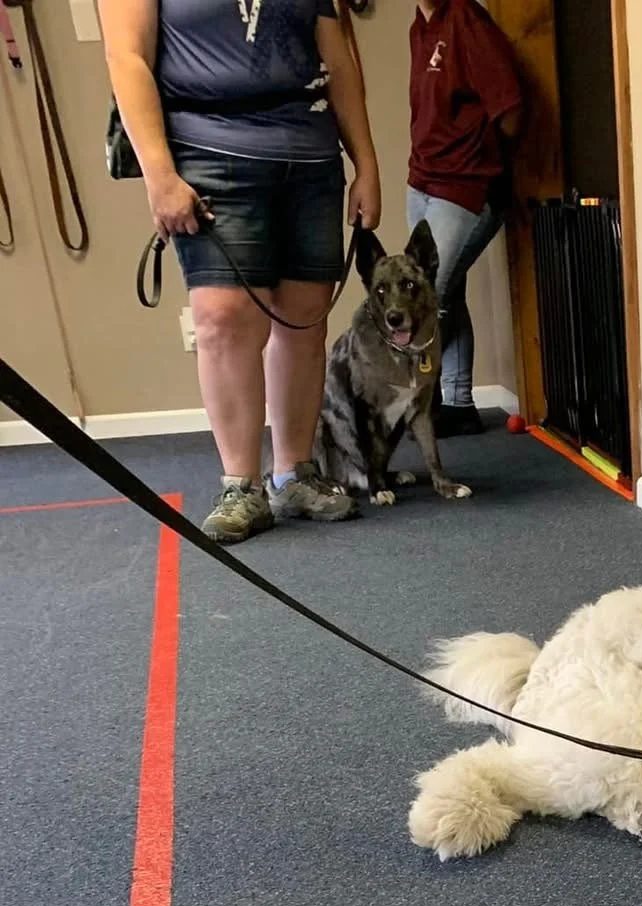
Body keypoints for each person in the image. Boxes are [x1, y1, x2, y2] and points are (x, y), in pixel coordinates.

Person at [102, 0, 382, 543]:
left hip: (309, 150)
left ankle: (294, 474)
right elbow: (127, 56)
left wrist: (365, 162)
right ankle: (241, 485)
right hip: (207, 145)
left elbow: (338, 59)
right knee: (223, 318)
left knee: (305, 317)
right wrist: (160, 176)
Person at [407, 0, 522, 437]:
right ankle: (458, 405)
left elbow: (510, 110)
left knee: (424, 298)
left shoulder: (467, 20)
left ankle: (422, 404)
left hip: (466, 185)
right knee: (447, 295)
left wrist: (480, 158)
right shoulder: (419, 26)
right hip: (422, 180)